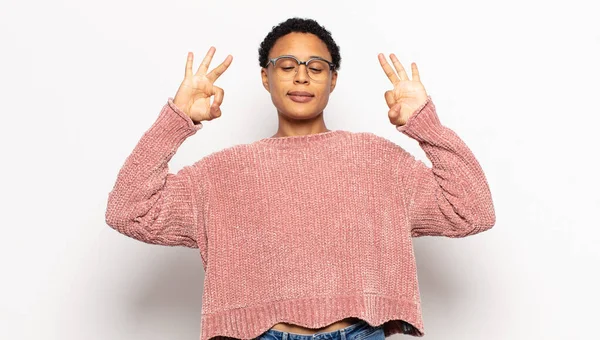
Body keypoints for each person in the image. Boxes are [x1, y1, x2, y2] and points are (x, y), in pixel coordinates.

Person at [105, 17, 496, 340]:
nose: (302, 78)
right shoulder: (221, 173)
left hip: (359, 333)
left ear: (334, 79)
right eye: (287, 66)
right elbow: (129, 211)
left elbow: (472, 210)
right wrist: (177, 119)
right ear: (265, 76)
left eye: (316, 67)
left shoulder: (378, 160)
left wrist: (424, 124)